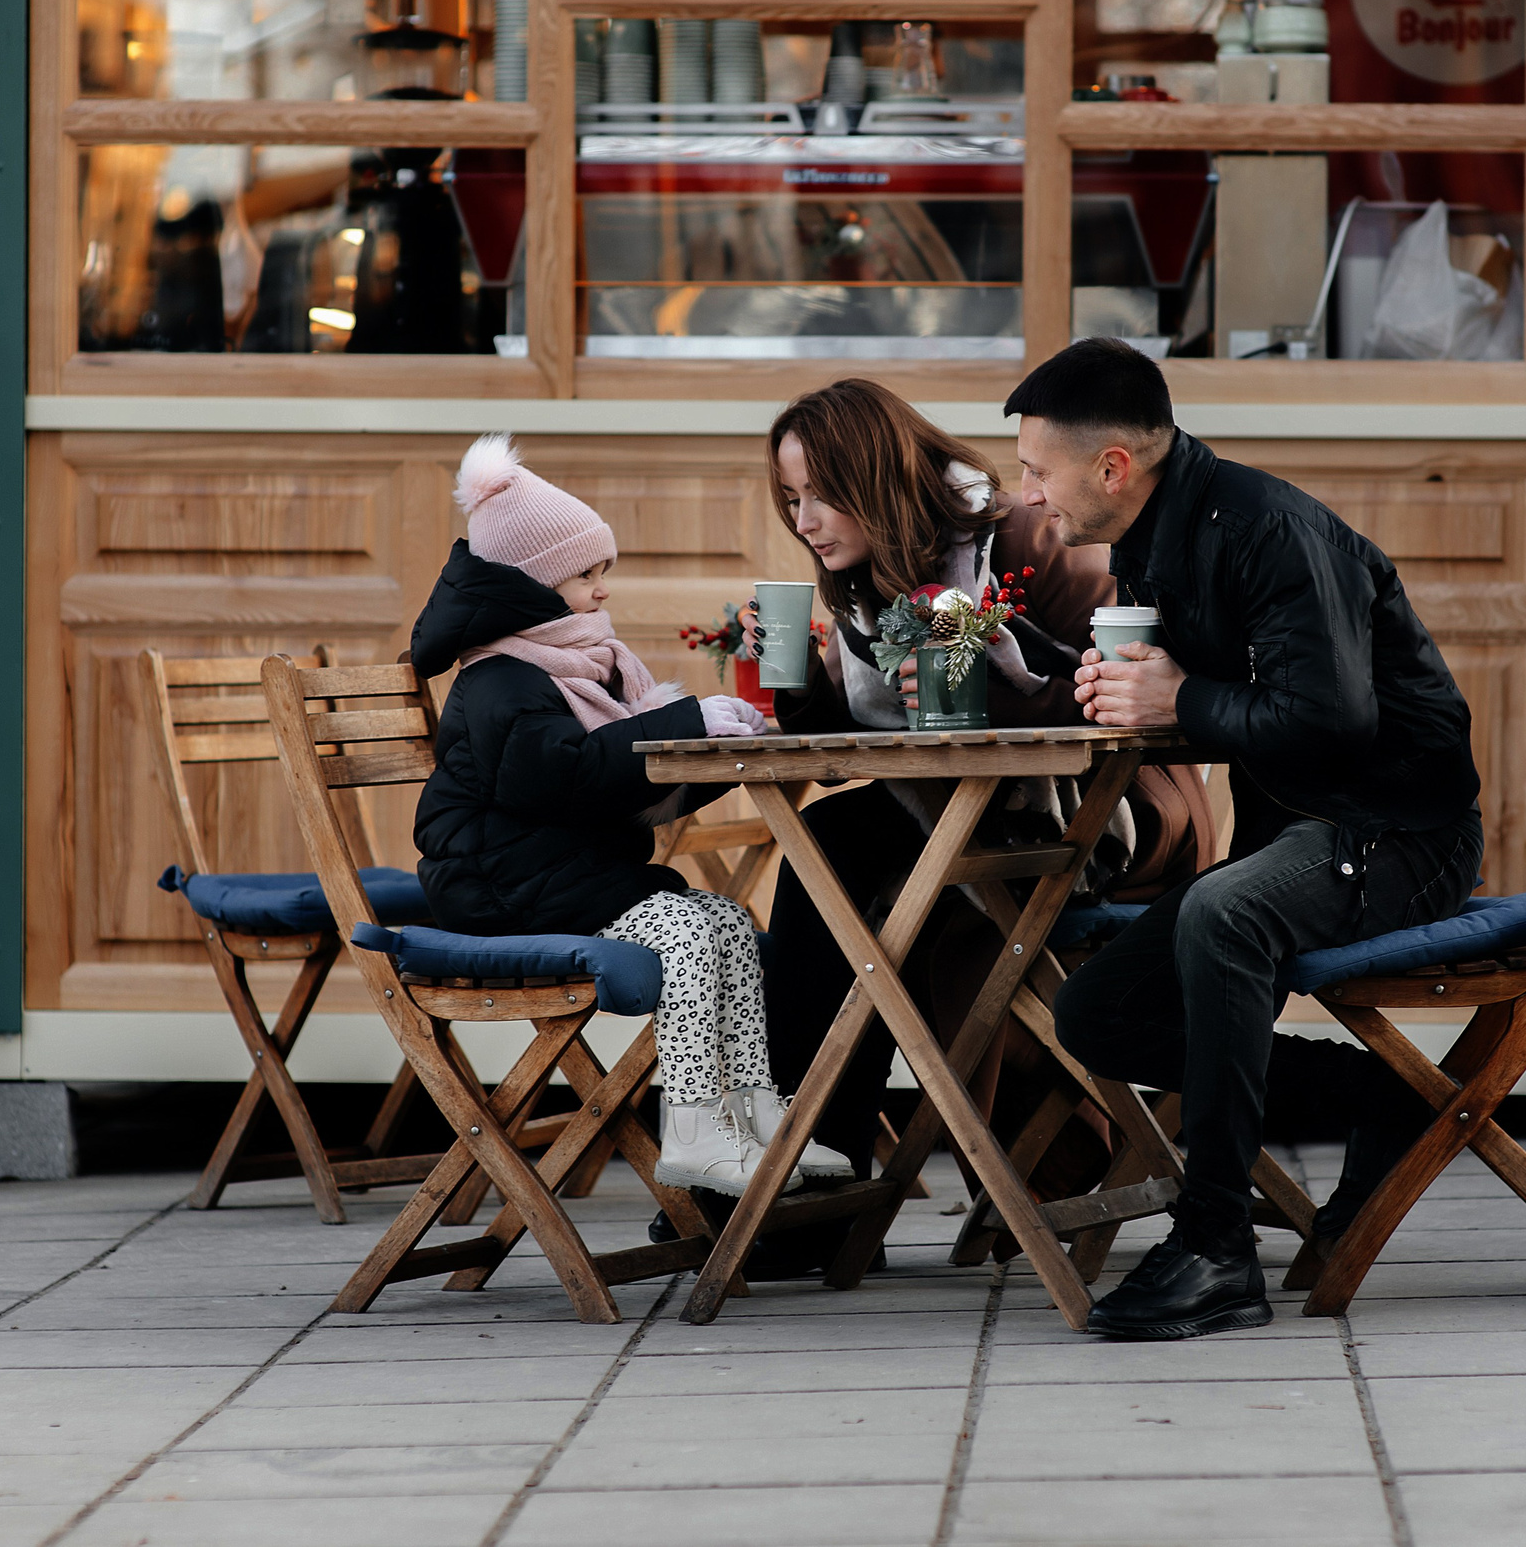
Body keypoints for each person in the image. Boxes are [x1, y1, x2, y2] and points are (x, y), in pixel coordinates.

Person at [1011, 338, 1485, 1341]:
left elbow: (1332, 719)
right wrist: (1124, 694)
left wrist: (1179, 696)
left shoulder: (1267, 529)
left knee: (1224, 915)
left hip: (1399, 833)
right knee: (1096, 1012)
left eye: (1037, 470)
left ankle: (1215, 1245)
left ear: (1112, 466)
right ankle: (1382, 1092)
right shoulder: (1150, 537)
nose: (1028, 492)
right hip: (1305, 833)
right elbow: (1210, 699)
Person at [411, 434, 849, 1194]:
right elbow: (563, 777)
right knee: (686, 932)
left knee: (725, 920)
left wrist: (710, 747)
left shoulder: (572, 661)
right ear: (533, 583)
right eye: (585, 575)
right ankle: (692, 1129)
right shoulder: (500, 679)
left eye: (602, 572)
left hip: (562, 875)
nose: (602, 590)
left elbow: (618, 782)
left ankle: (754, 1116)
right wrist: (681, 724)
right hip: (501, 888)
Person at [753, 379, 1130, 1193]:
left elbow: (1125, 688)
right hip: (957, 812)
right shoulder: (868, 581)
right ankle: (813, 1175)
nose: (803, 520)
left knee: (843, 875)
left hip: (1092, 818)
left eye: (821, 494)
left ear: (874, 479)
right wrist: (793, 677)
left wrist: (983, 695)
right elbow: (849, 739)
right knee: (827, 861)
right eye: (791, 499)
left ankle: (813, 1178)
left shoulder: (1020, 537)